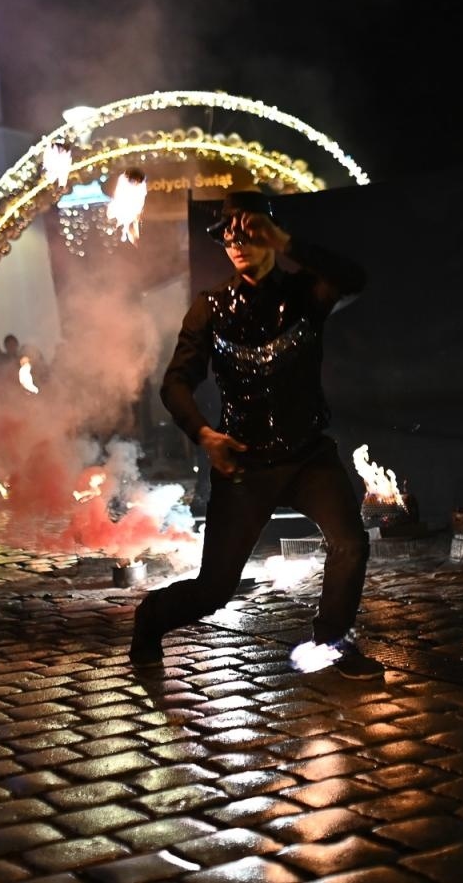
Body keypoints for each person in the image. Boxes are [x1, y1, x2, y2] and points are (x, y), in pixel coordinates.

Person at [133, 191, 383, 679]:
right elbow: (175, 382)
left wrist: (288, 241)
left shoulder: (306, 295)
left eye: (247, 232)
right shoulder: (210, 308)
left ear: (269, 236)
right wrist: (205, 435)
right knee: (214, 592)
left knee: (350, 543)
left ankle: (331, 641)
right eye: (228, 235)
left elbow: (355, 278)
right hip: (243, 462)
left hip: (308, 454)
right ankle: (150, 620)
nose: (236, 242)